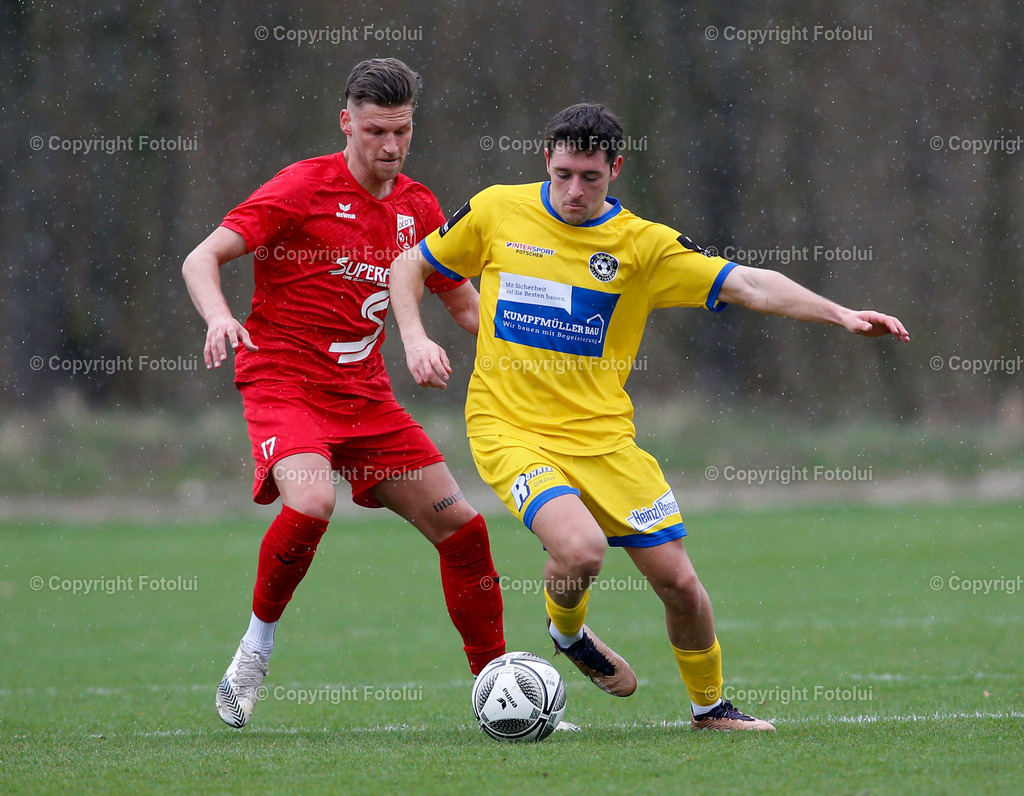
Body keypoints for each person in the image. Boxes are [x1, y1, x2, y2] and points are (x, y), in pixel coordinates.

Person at [388, 102, 910, 732]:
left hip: (606, 442)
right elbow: (410, 266)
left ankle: (710, 708)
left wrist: (842, 315)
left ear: (616, 169)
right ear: (544, 163)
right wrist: (415, 338)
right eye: (562, 174)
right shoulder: (498, 209)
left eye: (590, 177)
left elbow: (750, 285)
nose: (574, 190)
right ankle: (567, 630)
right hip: (509, 429)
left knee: (681, 586)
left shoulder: (642, 246)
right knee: (580, 552)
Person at [181, 58, 505, 729]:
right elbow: (201, 257)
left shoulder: (419, 209)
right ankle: (255, 647)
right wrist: (218, 315)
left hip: (366, 399)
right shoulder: (302, 187)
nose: (389, 145)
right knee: (313, 500)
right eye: (376, 130)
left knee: (465, 531)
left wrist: (542, 343)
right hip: (284, 385)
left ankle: (497, 692)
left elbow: (469, 309)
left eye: (402, 131)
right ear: (346, 123)